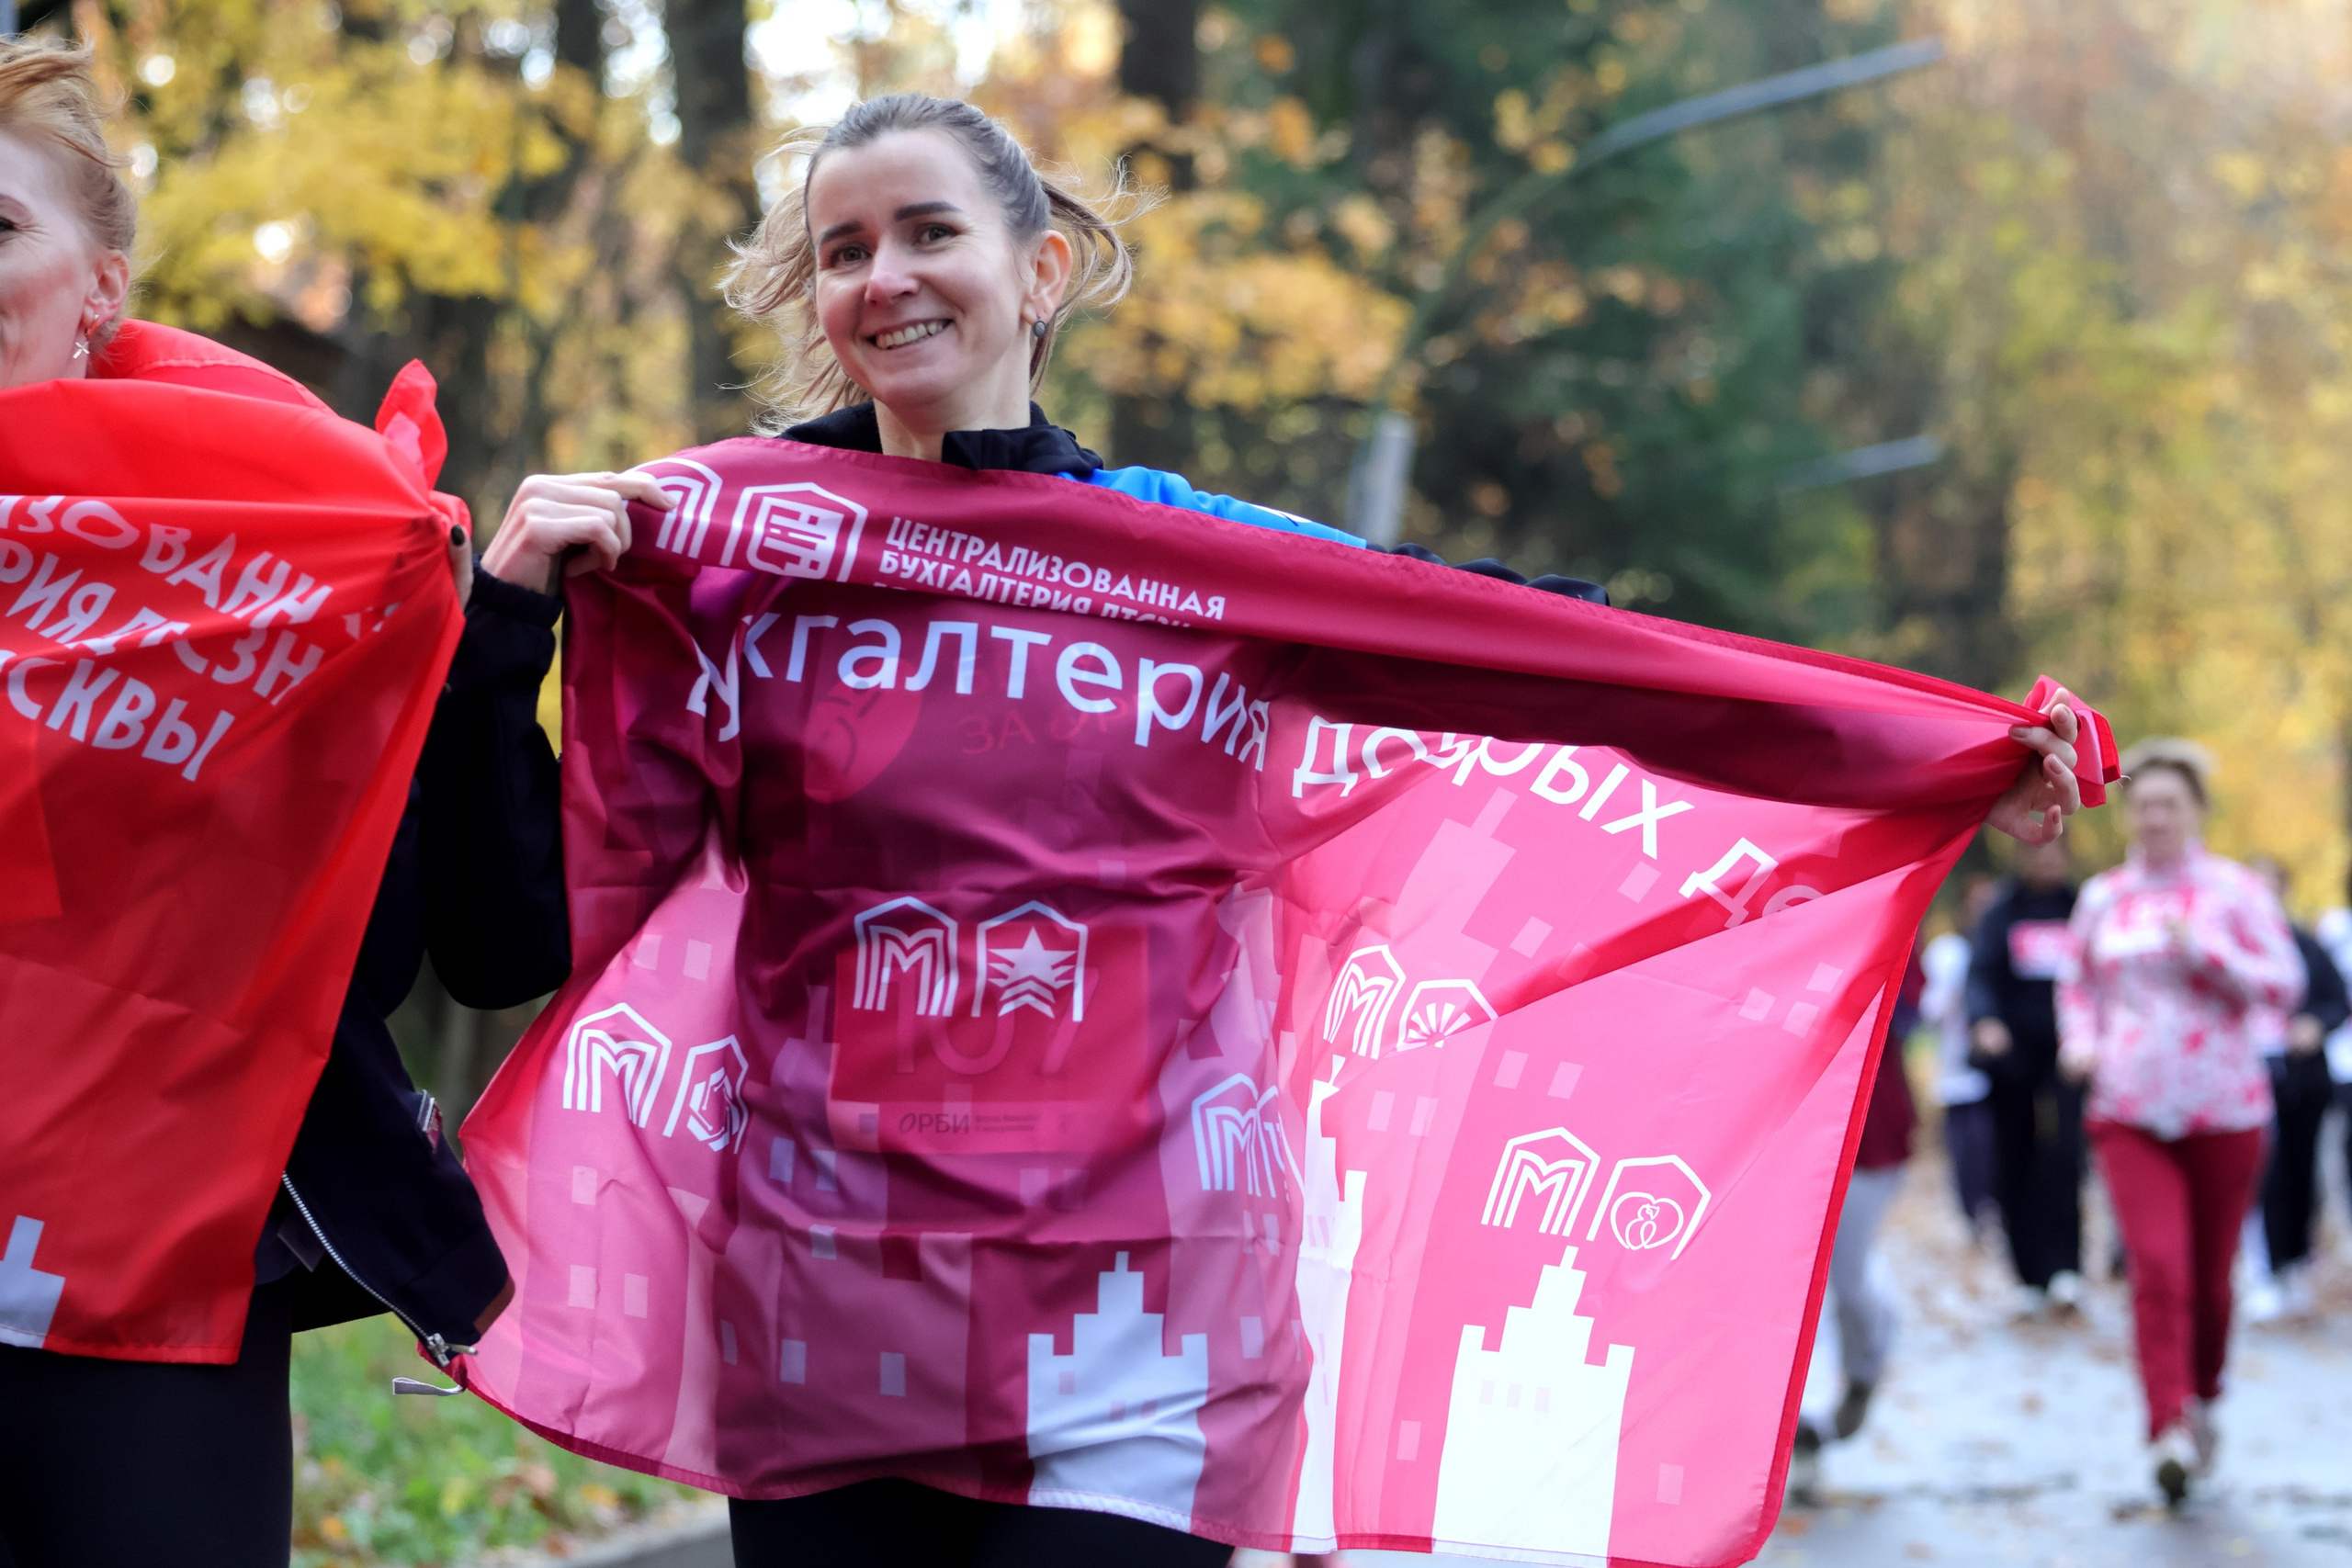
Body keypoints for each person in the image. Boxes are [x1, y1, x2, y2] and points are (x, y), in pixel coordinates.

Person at [492, 92, 2086, 1566]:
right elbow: (522, 934)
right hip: (827, 1322)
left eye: (928, 233)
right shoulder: (739, 561)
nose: (884, 278)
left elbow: (1563, 654)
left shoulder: (1202, 559)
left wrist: (1927, 745)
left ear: (1038, 271)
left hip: (1146, 1337)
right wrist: (505, 630)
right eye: (844, 252)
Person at [0, 38, 619, 1568]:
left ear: (102, 290)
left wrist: (498, 640)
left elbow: (497, 941)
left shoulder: (304, 564)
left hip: (156, 1302)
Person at [2056, 738, 2300, 1506]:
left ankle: (2206, 1396)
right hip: (2129, 1109)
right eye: (2145, 804)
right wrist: (2080, 1043)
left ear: (2196, 812)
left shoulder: (2234, 892)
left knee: (2212, 1281)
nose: (2156, 817)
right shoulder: (2105, 897)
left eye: (2171, 804)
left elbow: (2283, 986)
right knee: (2157, 1268)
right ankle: (2166, 1425)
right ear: (2130, 814)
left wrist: (2214, 953)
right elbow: (2077, 985)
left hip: (2226, 1109)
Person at [1786, 945, 1922, 1504]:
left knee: (1846, 1277)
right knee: (1791, 1290)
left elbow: (1909, 1014)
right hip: (1781, 1131)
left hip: (1867, 1133)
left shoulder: (1890, 912)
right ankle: (1801, 1434)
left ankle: (1867, 1359)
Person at [1967, 836, 2086, 1315]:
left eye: (2057, 851)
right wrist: (1986, 1021)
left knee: (2065, 1159)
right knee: (2014, 1160)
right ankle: (2027, 1274)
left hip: (2069, 1060)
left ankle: (2066, 1267)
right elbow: (1981, 976)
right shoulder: (2002, 911)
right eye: (2038, 850)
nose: (2047, 860)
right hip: (2013, 1059)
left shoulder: (2082, 907)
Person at [2241, 859, 2349, 1322]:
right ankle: (2258, 1269)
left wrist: (2313, 1026)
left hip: (2301, 1084)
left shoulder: (2306, 944)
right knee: (2258, 1175)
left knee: (2298, 1175)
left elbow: (2337, 1002)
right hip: (2245, 1079)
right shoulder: (2232, 946)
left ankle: (2291, 1263)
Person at [1924, 877, 1999, 1241]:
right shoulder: (1950, 953)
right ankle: (1972, 1212)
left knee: (1992, 1142)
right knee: (1965, 1148)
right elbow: (1930, 1010)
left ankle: (1993, 1205)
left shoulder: (2000, 947)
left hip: (1998, 1071)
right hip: (1957, 1066)